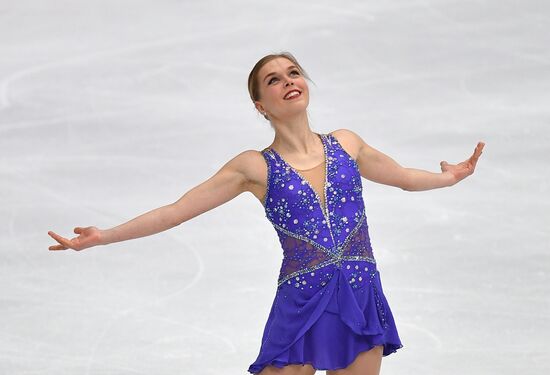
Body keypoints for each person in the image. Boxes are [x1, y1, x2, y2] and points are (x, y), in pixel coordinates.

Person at [48, 51, 485, 375]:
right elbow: (176, 212)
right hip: (301, 298)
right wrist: (104, 236)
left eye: (293, 72)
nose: (288, 81)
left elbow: (404, 177)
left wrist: (449, 177)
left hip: (358, 288)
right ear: (261, 105)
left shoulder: (347, 144)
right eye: (273, 80)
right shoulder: (253, 167)